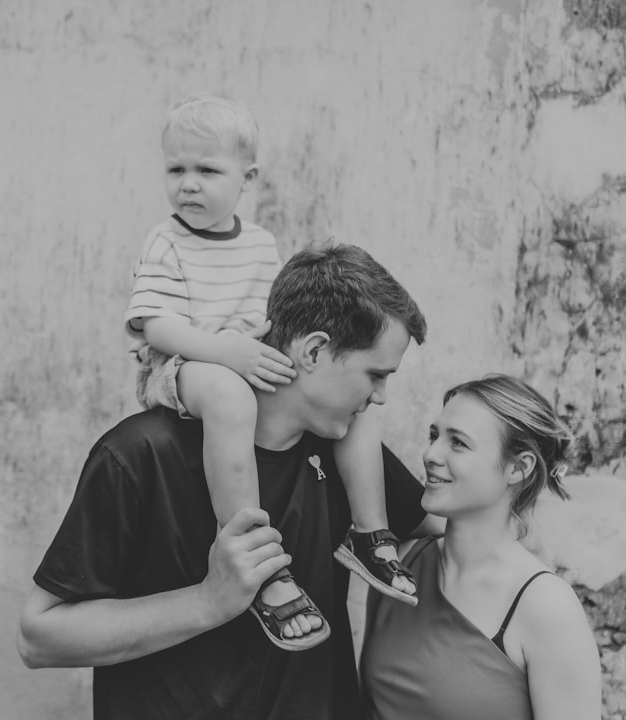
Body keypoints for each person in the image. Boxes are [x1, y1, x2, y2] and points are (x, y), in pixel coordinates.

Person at [19, 243, 437, 719]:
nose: (381, 397)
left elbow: (455, 532)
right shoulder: (139, 454)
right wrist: (208, 602)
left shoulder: (348, 457)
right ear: (315, 351)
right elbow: (38, 637)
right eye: (375, 374)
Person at [124, 94, 418, 652]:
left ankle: (369, 534)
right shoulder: (166, 240)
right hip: (182, 367)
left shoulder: (259, 244)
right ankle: (258, 559)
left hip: (241, 355)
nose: (188, 184)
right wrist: (224, 352)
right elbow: (154, 324)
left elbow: (275, 318)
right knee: (232, 399)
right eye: (176, 169)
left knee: (352, 403)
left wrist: (266, 352)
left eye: (207, 170)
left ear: (246, 177)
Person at [359, 374, 602, 720]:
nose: (430, 454)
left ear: (518, 468)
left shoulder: (546, 608)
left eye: (458, 443)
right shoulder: (400, 563)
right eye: (434, 435)